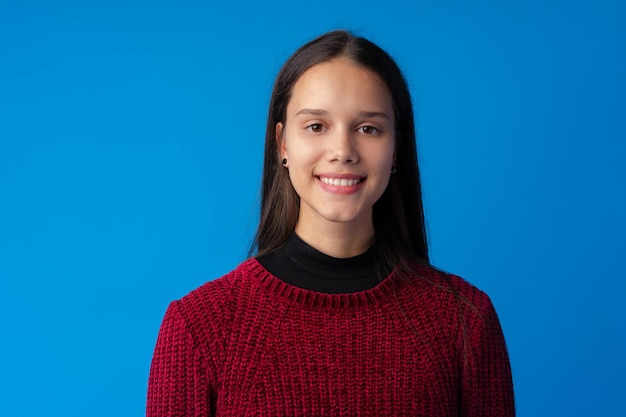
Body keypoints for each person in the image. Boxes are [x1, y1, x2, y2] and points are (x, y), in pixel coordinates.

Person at [147, 30, 515, 416]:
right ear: (283, 144)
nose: (343, 151)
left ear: (396, 149)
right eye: (316, 126)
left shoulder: (464, 321)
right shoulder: (199, 325)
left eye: (368, 128)